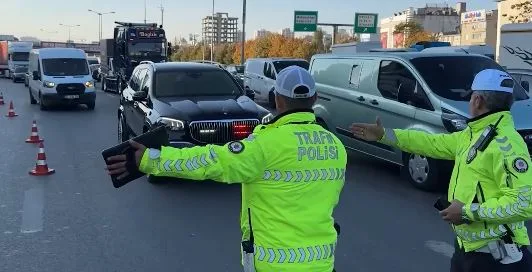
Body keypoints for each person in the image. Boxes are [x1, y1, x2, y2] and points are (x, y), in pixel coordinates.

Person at [106, 65, 347, 272]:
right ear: (314, 99)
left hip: (276, 264)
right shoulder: (335, 146)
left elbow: (210, 161)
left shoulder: (266, 145)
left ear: (278, 100)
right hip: (323, 261)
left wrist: (150, 159)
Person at [350, 68, 532, 272]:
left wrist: (466, 212)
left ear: (478, 100)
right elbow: (433, 143)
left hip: (496, 260)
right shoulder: (475, 134)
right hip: (470, 251)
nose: (470, 101)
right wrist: (385, 135)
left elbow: (523, 203)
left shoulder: (505, 144)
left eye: (471, 97)